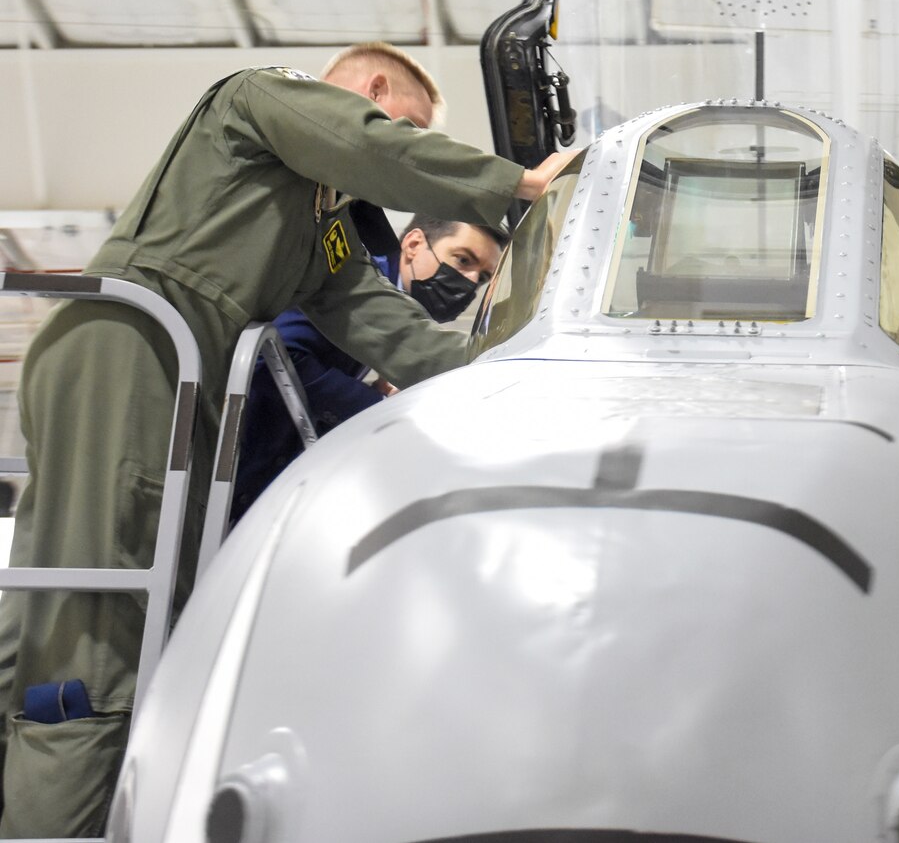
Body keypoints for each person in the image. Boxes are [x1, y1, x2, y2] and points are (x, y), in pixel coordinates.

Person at [0, 43, 571, 837]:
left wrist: (513, 376)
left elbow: (387, 324)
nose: (380, 142)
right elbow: (369, 144)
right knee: (101, 613)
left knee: (90, 597)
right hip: (130, 349)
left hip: (173, 380)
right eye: (387, 120)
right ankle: (51, 819)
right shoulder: (260, 98)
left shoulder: (316, 231)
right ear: (369, 93)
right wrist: (518, 184)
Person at [227, 213, 509, 524]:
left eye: (481, 278)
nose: (469, 282)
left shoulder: (395, 305)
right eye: (463, 260)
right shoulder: (351, 284)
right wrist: (377, 407)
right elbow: (278, 355)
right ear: (414, 244)